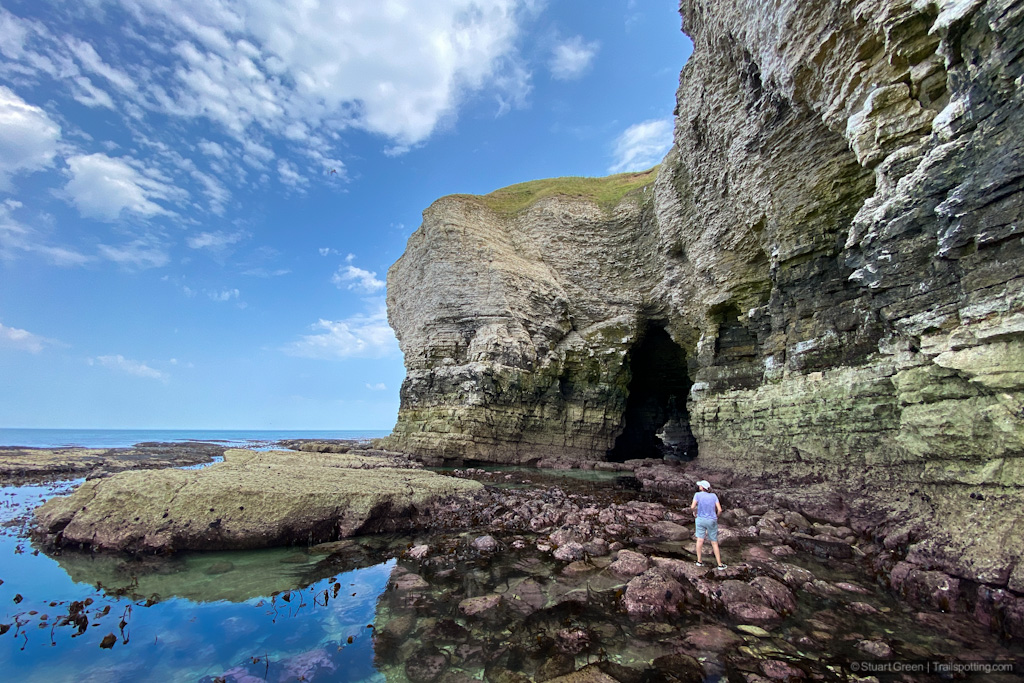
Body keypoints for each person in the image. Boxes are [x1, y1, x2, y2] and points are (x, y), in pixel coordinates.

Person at [690, 479, 726, 569]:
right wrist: (716, 516)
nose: (699, 486)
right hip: (712, 520)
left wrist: (695, 513)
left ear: (702, 487)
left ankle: (699, 561)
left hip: (700, 519)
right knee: (714, 542)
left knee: (700, 540)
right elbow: (720, 510)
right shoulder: (713, 496)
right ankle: (719, 564)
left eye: (700, 485)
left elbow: (692, 507)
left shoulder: (697, 495)